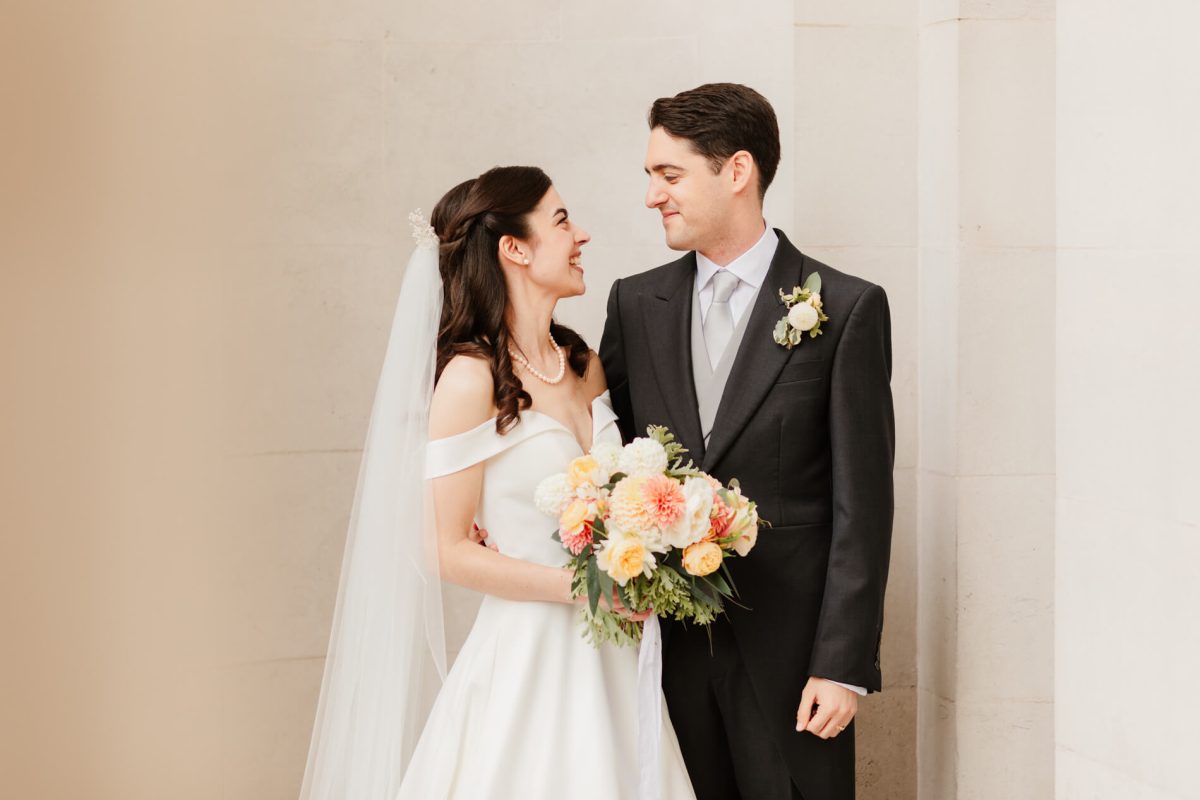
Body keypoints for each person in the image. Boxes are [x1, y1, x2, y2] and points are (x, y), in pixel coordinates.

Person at [299, 165, 695, 799]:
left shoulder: (582, 362)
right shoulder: (469, 379)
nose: (581, 235)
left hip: (617, 653)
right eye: (562, 221)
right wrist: (585, 590)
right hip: (530, 652)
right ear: (514, 247)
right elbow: (442, 547)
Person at [599, 83, 896, 800]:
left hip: (794, 667)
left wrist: (841, 663)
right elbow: (602, 457)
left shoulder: (846, 307)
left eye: (668, 176)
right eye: (649, 176)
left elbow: (865, 503)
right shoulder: (634, 303)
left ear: (737, 172)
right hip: (665, 655)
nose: (651, 197)